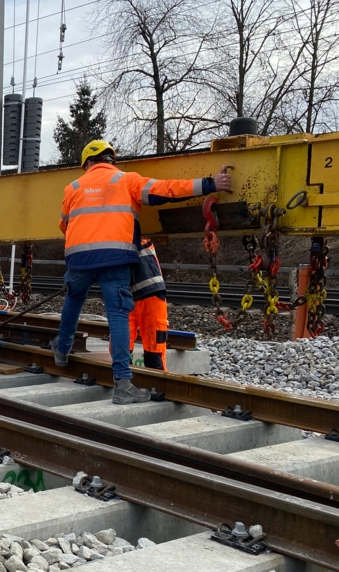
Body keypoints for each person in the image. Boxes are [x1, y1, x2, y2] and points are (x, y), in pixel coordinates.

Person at [53, 140, 232, 404]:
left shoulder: (73, 188)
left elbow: (64, 225)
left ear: (87, 164)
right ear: (110, 160)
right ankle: (123, 385)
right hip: (116, 258)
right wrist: (210, 184)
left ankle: (62, 350)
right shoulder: (127, 180)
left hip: (79, 258)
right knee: (118, 314)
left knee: (73, 300)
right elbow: (166, 190)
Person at [128, 240, 168, 370]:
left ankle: (159, 386)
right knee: (121, 349)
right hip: (129, 293)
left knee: (154, 351)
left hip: (149, 292)